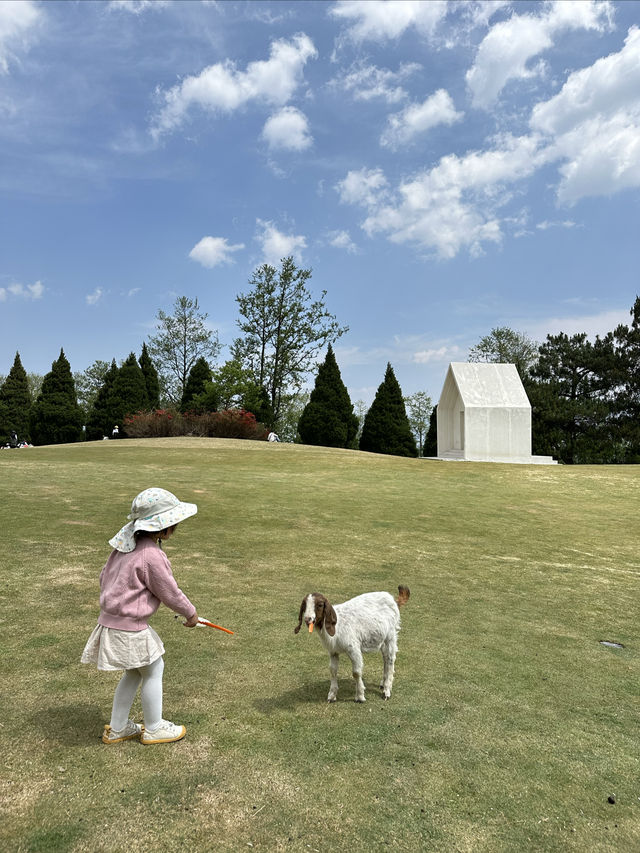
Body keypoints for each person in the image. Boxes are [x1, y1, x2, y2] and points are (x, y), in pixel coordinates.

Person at [81, 488, 200, 745]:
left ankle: (118, 727)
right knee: (155, 668)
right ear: (164, 526)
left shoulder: (125, 547)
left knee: (134, 673)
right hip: (130, 627)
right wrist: (190, 613)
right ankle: (154, 727)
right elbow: (170, 591)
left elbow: (104, 577)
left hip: (111, 622)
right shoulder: (150, 555)